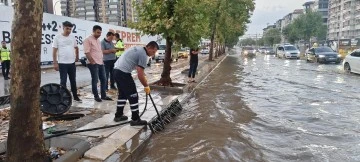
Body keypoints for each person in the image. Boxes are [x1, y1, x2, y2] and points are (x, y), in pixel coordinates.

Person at [113, 41, 159, 126]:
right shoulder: (143, 55)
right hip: (123, 73)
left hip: (116, 71)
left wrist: (144, 77)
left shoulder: (139, 49)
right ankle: (135, 119)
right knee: (133, 95)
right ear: (148, 48)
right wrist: (146, 86)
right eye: (153, 51)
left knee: (122, 94)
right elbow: (140, 74)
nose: (153, 54)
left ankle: (118, 115)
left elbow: (141, 71)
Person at [52, 21, 82, 102]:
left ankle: (75, 96)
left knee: (73, 80)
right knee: (63, 81)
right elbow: (54, 51)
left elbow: (76, 47)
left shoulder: (72, 37)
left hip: (71, 63)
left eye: (70, 29)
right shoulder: (57, 37)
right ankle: (63, 98)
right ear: (63, 28)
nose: (68, 30)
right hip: (62, 63)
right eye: (67, 28)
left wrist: (77, 57)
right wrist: (55, 63)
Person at [83, 25, 113, 102]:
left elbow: (99, 52)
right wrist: (92, 61)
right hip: (93, 63)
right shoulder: (87, 40)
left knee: (104, 79)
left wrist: (101, 61)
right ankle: (96, 96)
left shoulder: (98, 41)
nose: (99, 34)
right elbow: (87, 52)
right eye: (97, 32)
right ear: (93, 31)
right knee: (95, 80)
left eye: (100, 33)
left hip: (100, 63)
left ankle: (103, 95)